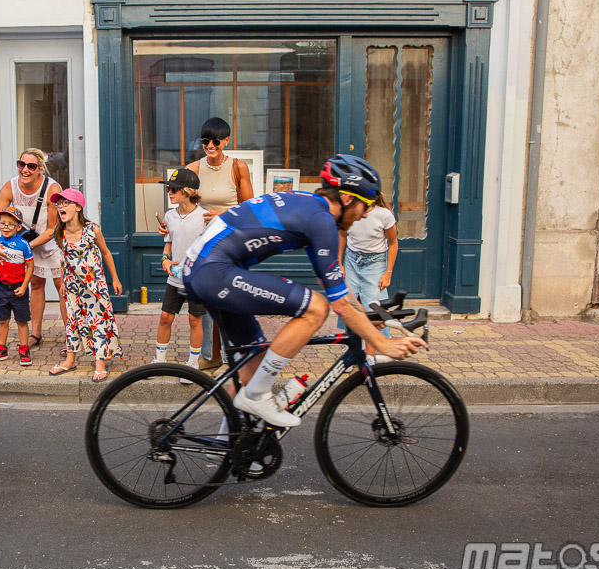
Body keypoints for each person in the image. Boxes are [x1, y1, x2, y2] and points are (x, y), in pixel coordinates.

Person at [183, 154, 427, 427]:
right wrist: (382, 344)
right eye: (366, 205)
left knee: (253, 364)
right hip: (214, 272)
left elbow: (338, 290)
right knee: (316, 308)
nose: (367, 213)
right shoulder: (321, 221)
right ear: (347, 199)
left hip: (205, 270)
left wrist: (370, 320)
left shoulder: (312, 209)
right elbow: (338, 304)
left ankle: (231, 450)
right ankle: (257, 396)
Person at [184, 117, 255, 371]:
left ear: (226, 141)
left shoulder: (238, 168)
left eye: (215, 141)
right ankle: (208, 356)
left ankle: (229, 358)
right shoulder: (193, 168)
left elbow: (250, 209)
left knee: (228, 300)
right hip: (203, 243)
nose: (210, 145)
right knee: (204, 300)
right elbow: (183, 205)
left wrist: (223, 216)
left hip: (232, 241)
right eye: (205, 141)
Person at [0, 148, 67, 351]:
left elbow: (52, 229)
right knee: (36, 284)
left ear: (40, 169)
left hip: (51, 242)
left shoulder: (52, 188)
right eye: (21, 164)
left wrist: (24, 248)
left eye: (31, 166)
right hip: (27, 240)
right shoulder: (10, 186)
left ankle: (70, 336)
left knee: (61, 287)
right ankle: (36, 333)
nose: (25, 169)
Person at [47, 188, 123, 382]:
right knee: (72, 321)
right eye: (59, 204)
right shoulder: (60, 231)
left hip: (94, 284)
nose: (60, 207)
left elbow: (105, 252)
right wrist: (63, 281)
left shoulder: (92, 229)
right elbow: (64, 258)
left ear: (78, 207)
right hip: (73, 285)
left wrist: (115, 278)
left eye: (65, 203)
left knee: (97, 320)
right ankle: (70, 360)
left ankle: (100, 361)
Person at [155, 168, 208, 376]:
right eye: (169, 188)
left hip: (196, 280)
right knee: (165, 317)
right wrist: (165, 260)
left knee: (195, 320)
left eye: (174, 188)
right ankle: (159, 361)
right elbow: (168, 244)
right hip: (174, 278)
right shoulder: (170, 215)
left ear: (188, 191)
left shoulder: (205, 216)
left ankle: (193, 364)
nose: (170, 191)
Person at [338, 190, 399, 363]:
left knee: (372, 305)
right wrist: (339, 262)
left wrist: (388, 273)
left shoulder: (384, 215)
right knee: (350, 303)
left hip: (375, 261)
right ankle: (351, 349)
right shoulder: (349, 212)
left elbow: (393, 243)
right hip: (352, 258)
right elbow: (342, 236)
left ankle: (370, 355)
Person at [0, 206, 34, 366]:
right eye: (2, 223)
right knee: (2, 320)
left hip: (18, 287)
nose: (5, 227)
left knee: (21, 320)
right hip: (2, 287)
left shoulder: (23, 244)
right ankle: (1, 349)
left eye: (10, 224)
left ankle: (24, 349)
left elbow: (30, 266)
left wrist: (25, 286)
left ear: (18, 226)